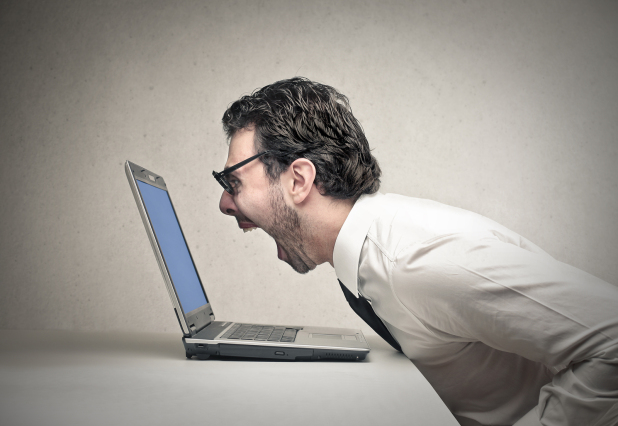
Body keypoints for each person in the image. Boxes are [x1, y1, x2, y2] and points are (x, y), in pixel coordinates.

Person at [214, 77, 618, 426]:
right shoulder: (362, 253)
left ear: (299, 179)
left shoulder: (417, 259)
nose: (225, 204)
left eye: (232, 183)